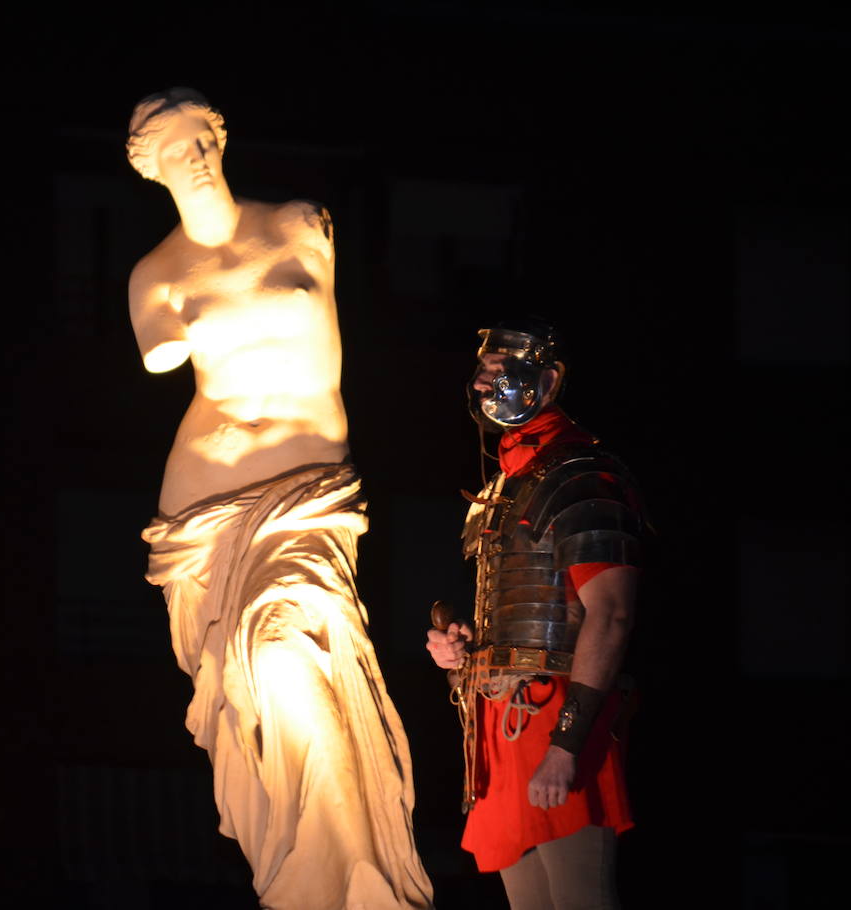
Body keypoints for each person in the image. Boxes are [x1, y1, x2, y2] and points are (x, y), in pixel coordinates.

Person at [128, 88, 433, 909]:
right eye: (170, 149)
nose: (190, 156)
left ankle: (350, 874)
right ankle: (302, 872)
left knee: (288, 658)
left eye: (199, 139)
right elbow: (161, 359)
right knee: (256, 683)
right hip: (208, 506)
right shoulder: (155, 276)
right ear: (148, 168)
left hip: (307, 496)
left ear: (219, 139)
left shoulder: (302, 222)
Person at [425, 320, 644, 909]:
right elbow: (511, 614)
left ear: (545, 381)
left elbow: (612, 614)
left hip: (559, 715)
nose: (485, 386)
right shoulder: (503, 486)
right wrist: (459, 651)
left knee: (580, 900)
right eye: (482, 373)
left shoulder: (579, 473)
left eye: (503, 373)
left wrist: (567, 744)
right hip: (499, 724)